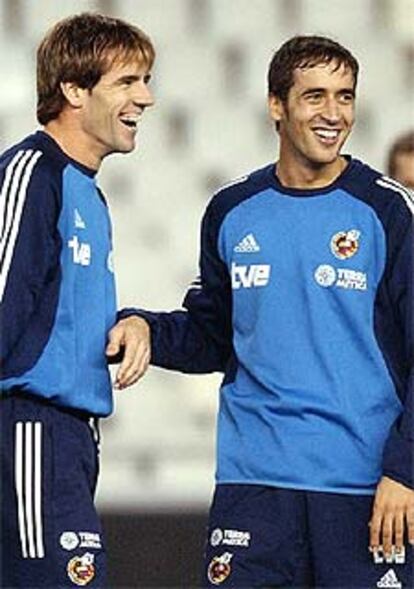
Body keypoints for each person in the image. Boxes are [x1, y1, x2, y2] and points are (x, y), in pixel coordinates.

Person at [125, 36, 414, 588]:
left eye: (346, 97)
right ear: (276, 105)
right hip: (254, 486)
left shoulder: (388, 211)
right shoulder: (232, 210)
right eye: (315, 97)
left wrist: (405, 470)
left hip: (363, 487)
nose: (334, 114)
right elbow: (212, 335)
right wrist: (144, 326)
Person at [0, 13, 154, 588]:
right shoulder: (32, 173)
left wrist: (131, 324)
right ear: (72, 89)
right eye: (128, 82)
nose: (147, 97)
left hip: (68, 437)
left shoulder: (83, 188)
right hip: (30, 429)